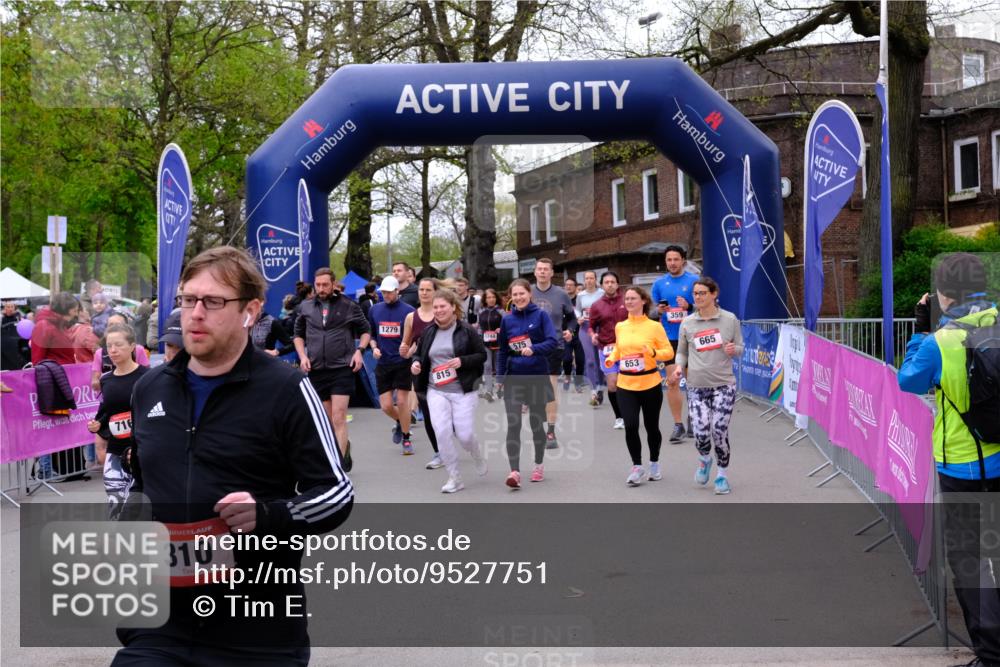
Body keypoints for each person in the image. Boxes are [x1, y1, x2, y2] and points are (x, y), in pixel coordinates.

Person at [118, 246, 353, 665]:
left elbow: (336, 493)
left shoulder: (287, 390)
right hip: (162, 629)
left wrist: (269, 515)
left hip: (257, 631)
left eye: (213, 301)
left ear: (251, 310)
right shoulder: (149, 389)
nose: (195, 313)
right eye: (189, 299)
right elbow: (142, 485)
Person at [897, 253, 999, 667]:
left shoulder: (941, 340)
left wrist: (920, 331)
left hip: (961, 465)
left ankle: (991, 656)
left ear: (943, 294)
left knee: (972, 563)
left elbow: (909, 381)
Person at [410, 289, 488, 493]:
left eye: (442, 306)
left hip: (463, 389)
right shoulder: (428, 332)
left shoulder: (467, 330)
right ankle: (455, 477)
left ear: (453, 307)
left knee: (465, 435)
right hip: (435, 389)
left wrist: (462, 361)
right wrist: (416, 364)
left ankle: (476, 452)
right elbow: (418, 355)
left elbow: (482, 355)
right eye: (435, 307)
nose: (438, 310)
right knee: (442, 432)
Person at [671, 276, 742, 495]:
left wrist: (734, 350)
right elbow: (682, 351)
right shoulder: (688, 322)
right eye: (695, 293)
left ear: (714, 294)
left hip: (723, 384)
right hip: (696, 386)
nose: (698, 297)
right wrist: (677, 368)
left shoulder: (729, 319)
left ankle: (722, 475)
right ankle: (704, 460)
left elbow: (740, 346)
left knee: (718, 430)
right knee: (701, 432)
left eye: (702, 293)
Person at [294, 268, 370, 472]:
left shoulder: (348, 305)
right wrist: (302, 356)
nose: (321, 288)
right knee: (326, 420)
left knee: (338, 416)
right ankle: (342, 450)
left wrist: (359, 351)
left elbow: (366, 331)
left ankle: (337, 467)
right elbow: (298, 334)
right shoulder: (306, 306)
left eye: (325, 285)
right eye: (317, 285)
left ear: (334, 284)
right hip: (317, 369)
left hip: (341, 368)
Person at [603, 286, 674, 485]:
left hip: (650, 382)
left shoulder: (654, 326)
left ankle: (654, 463)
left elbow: (668, 352)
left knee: (652, 427)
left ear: (643, 301)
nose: (629, 302)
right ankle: (637, 466)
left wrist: (652, 353)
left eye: (633, 298)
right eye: (627, 298)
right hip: (626, 384)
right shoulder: (621, 326)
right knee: (631, 425)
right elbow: (619, 348)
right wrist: (611, 358)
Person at [497, 279, 559, 489]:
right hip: (514, 377)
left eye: (521, 294)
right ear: (511, 297)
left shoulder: (540, 315)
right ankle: (514, 471)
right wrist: (499, 378)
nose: (518, 298)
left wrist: (535, 349)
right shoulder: (507, 320)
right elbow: (503, 351)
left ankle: (538, 465)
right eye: (514, 295)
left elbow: (552, 341)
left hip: (536, 376)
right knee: (513, 424)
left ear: (529, 294)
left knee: (535, 425)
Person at [86, 323, 149, 519]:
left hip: (141, 451)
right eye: (109, 346)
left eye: (118, 345)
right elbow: (106, 412)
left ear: (133, 347)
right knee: (116, 503)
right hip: (115, 450)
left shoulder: (147, 377)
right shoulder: (106, 380)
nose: (112, 350)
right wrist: (97, 424)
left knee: (139, 505)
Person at [652, 245, 699, 443]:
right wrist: (660, 311)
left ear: (683, 261)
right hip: (668, 337)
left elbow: (709, 307)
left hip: (690, 336)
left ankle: (693, 419)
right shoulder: (659, 283)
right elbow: (653, 312)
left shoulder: (694, 281)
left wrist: (689, 307)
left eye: (676, 259)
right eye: (669, 260)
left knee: (691, 382)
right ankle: (678, 424)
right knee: (673, 381)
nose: (672, 263)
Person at [531, 258, 578, 449]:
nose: (542, 272)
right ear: (535, 272)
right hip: (530, 348)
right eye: (539, 269)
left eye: (546, 270)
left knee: (550, 389)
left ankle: (550, 431)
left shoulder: (561, 294)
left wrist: (570, 331)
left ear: (551, 273)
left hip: (553, 346)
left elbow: (572, 319)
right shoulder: (527, 292)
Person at [368, 276, 416, 455]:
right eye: (383, 292)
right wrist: (374, 348)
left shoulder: (409, 311)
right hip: (383, 363)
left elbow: (416, 337)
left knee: (402, 401)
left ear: (398, 291)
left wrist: (410, 352)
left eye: (389, 292)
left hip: (402, 363)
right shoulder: (375, 310)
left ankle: (406, 437)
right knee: (386, 406)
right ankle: (401, 421)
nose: (386, 295)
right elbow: (372, 334)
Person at [401, 278, 443, 469]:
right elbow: (406, 343)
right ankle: (438, 453)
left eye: (428, 290)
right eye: (421, 290)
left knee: (444, 414)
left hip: (443, 369)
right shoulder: (411, 317)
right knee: (428, 414)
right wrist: (404, 349)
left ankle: (450, 437)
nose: (424, 293)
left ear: (435, 292)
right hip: (421, 370)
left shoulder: (442, 312)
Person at [589, 271, 628, 430]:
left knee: (627, 383)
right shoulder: (596, 305)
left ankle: (629, 413)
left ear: (617, 284)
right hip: (606, 348)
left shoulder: (627, 300)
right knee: (612, 384)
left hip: (627, 347)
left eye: (613, 282)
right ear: (602, 285)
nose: (610, 284)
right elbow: (591, 326)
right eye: (606, 282)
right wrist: (592, 335)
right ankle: (619, 417)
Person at [92, 313, 150, 391]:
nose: (114, 328)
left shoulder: (138, 349)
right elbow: (95, 377)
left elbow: (147, 374)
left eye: (118, 325)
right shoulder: (100, 353)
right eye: (111, 325)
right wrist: (96, 381)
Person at [576, 271, 606, 406]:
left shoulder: (601, 293)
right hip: (585, 329)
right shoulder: (580, 295)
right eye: (586, 278)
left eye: (591, 278)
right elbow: (577, 311)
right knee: (590, 361)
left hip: (600, 328)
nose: (589, 280)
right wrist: (579, 318)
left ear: (595, 279)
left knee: (600, 359)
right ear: (584, 281)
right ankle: (593, 390)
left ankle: (600, 386)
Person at [478, 288, 504, 401]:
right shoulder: (481, 311)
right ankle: (488, 390)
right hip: (485, 342)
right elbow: (479, 327)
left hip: (499, 342)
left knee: (499, 366)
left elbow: (508, 325)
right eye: (488, 297)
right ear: (485, 299)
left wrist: (502, 329)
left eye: (493, 297)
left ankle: (499, 388)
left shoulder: (501, 311)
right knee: (487, 366)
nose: (491, 299)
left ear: (496, 298)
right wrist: (479, 335)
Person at [561, 277, 587, 393]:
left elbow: (586, 313)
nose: (568, 287)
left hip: (579, 333)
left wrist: (582, 319)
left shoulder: (580, 300)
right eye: (567, 285)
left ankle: (578, 382)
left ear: (576, 287)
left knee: (580, 360)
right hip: (566, 333)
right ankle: (567, 376)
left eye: (571, 285)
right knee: (567, 359)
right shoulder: (561, 300)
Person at [1, 300, 29, 370]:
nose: (10, 309)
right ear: (4, 308)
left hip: (18, 346)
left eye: (11, 307)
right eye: (8, 307)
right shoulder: (2, 320)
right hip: (6, 348)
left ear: (14, 308)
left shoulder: (19, 318)